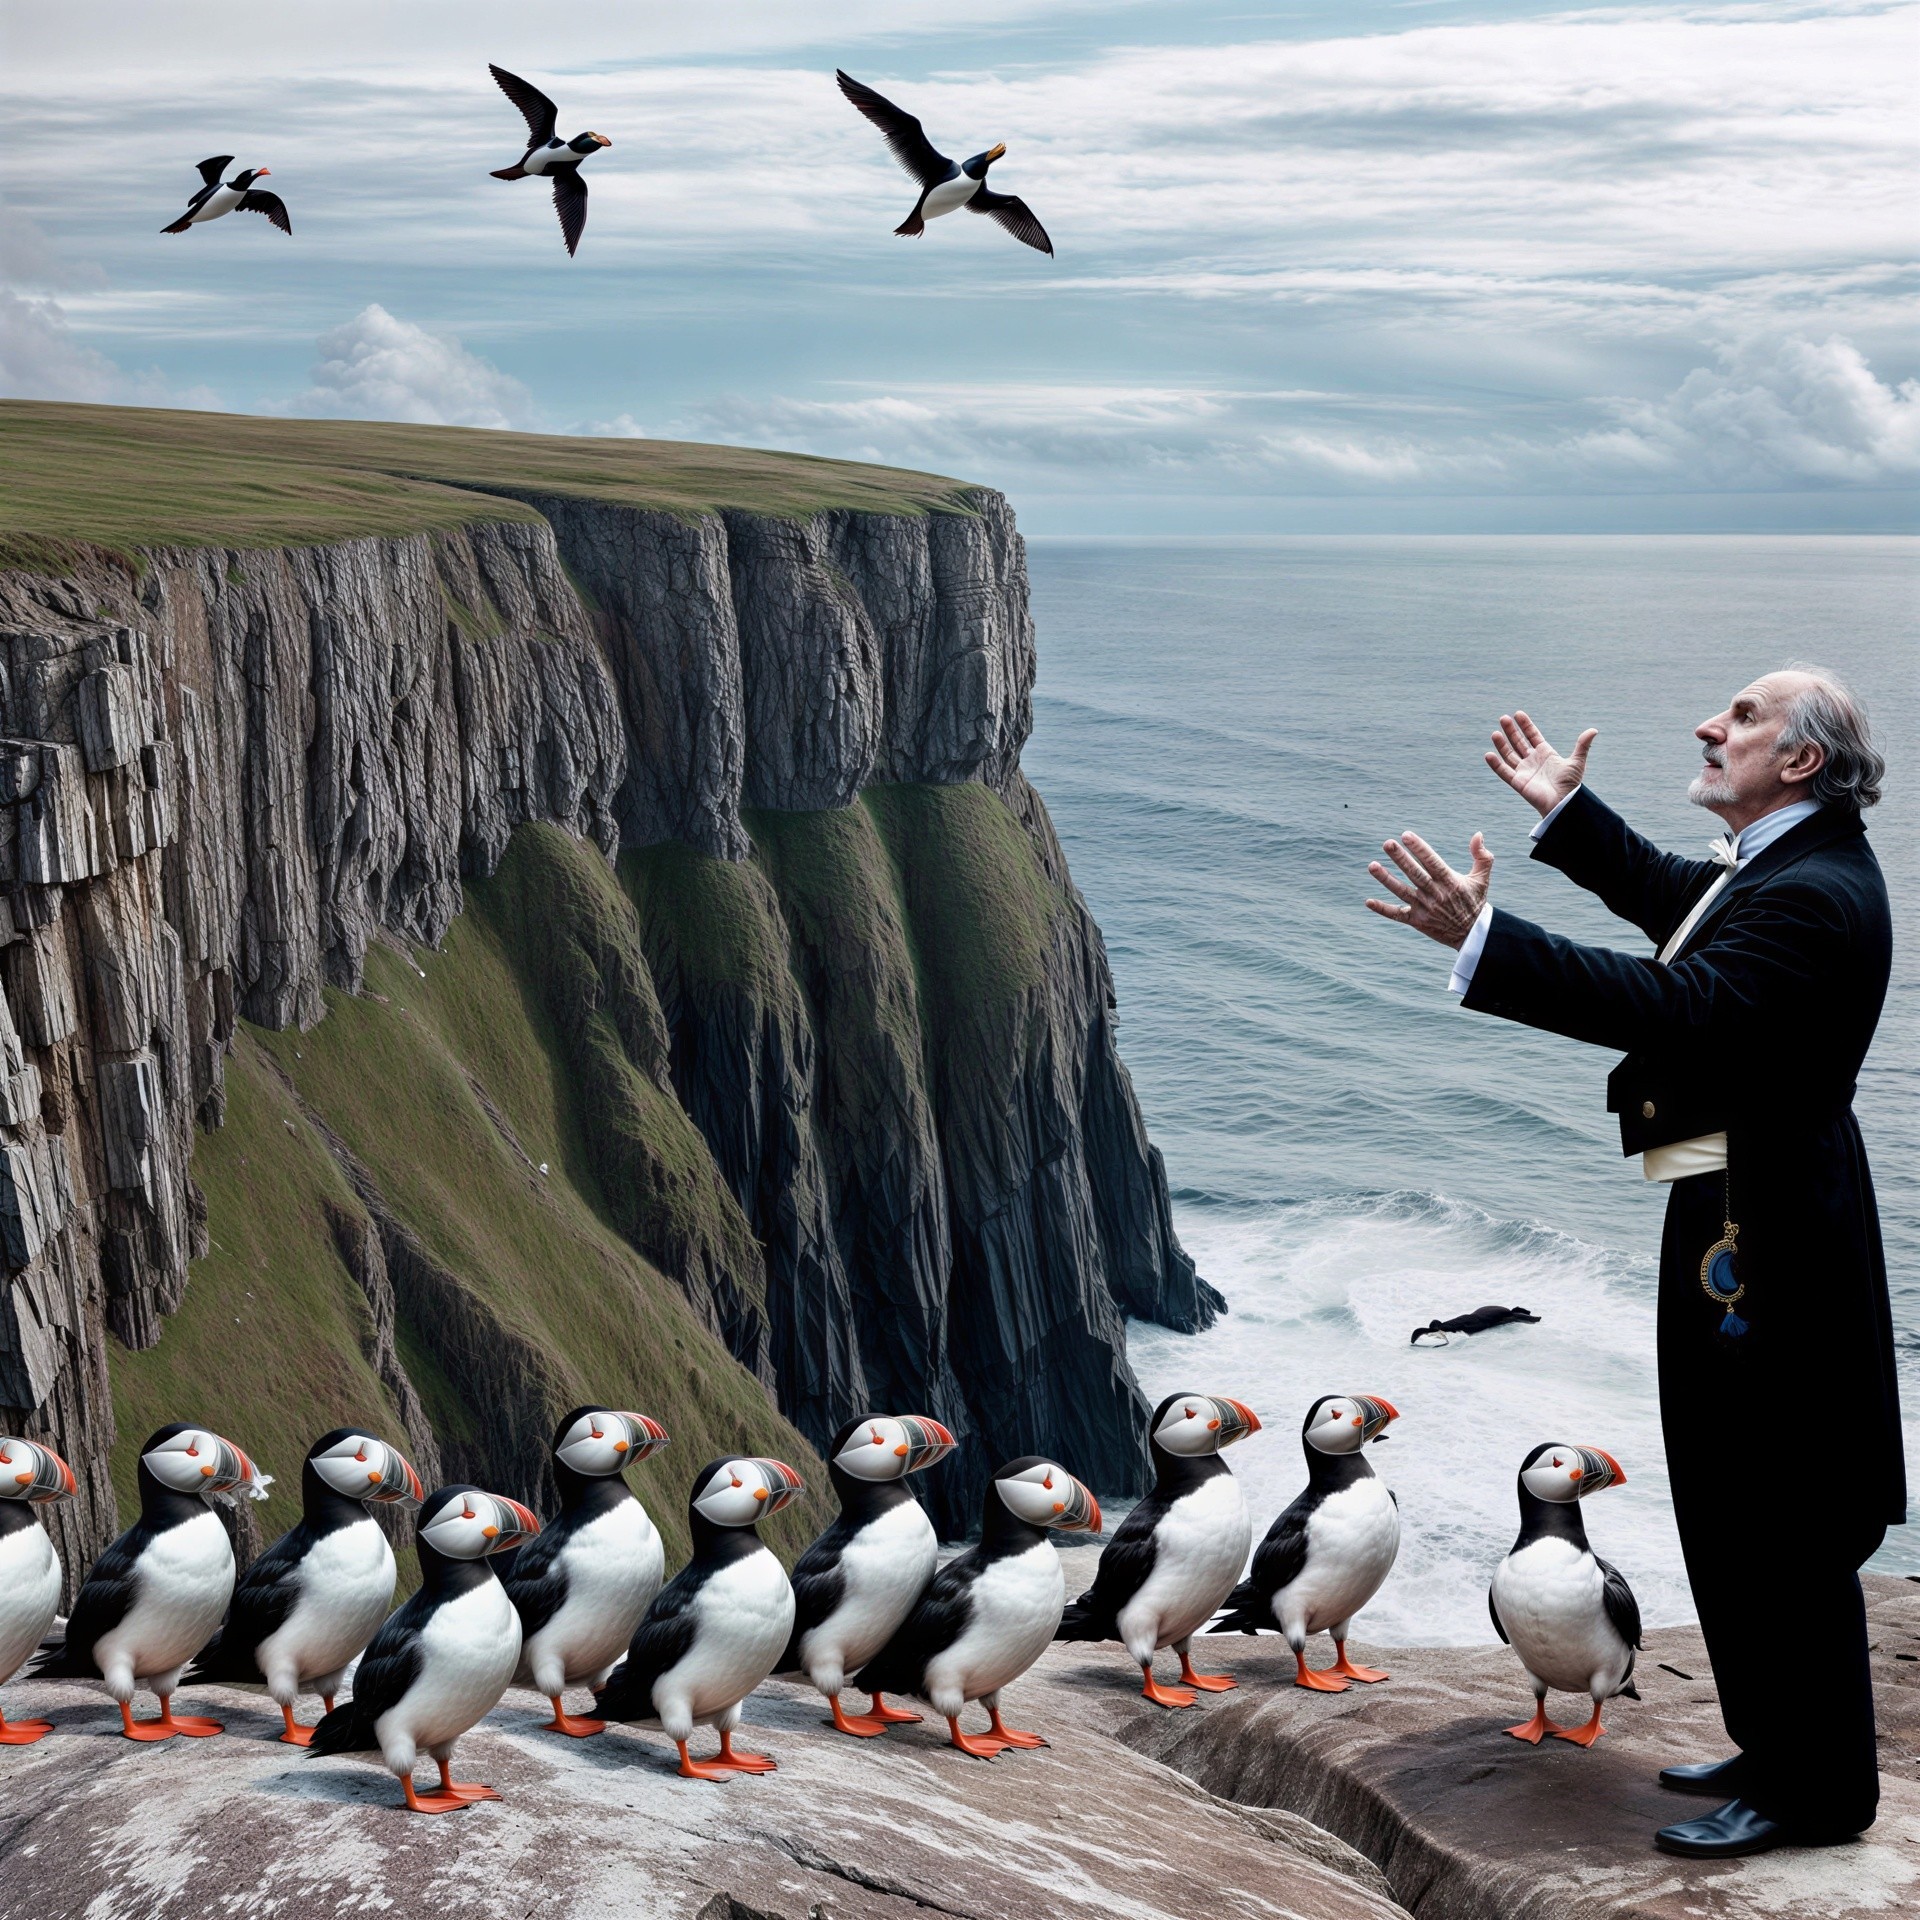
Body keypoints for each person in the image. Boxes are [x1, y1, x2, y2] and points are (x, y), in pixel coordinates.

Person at [1364, 666, 1901, 1860]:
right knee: (1728, 1496)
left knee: (1782, 1513)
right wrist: (1570, 816)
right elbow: (1682, 904)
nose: (1714, 725)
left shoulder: (1814, 892)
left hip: (1778, 1233)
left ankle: (1817, 1796)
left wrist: (1484, 941)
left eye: (1745, 717)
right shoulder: (1780, 865)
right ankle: (1775, 1744)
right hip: (1733, 1197)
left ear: (1802, 761)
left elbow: (1684, 1002)